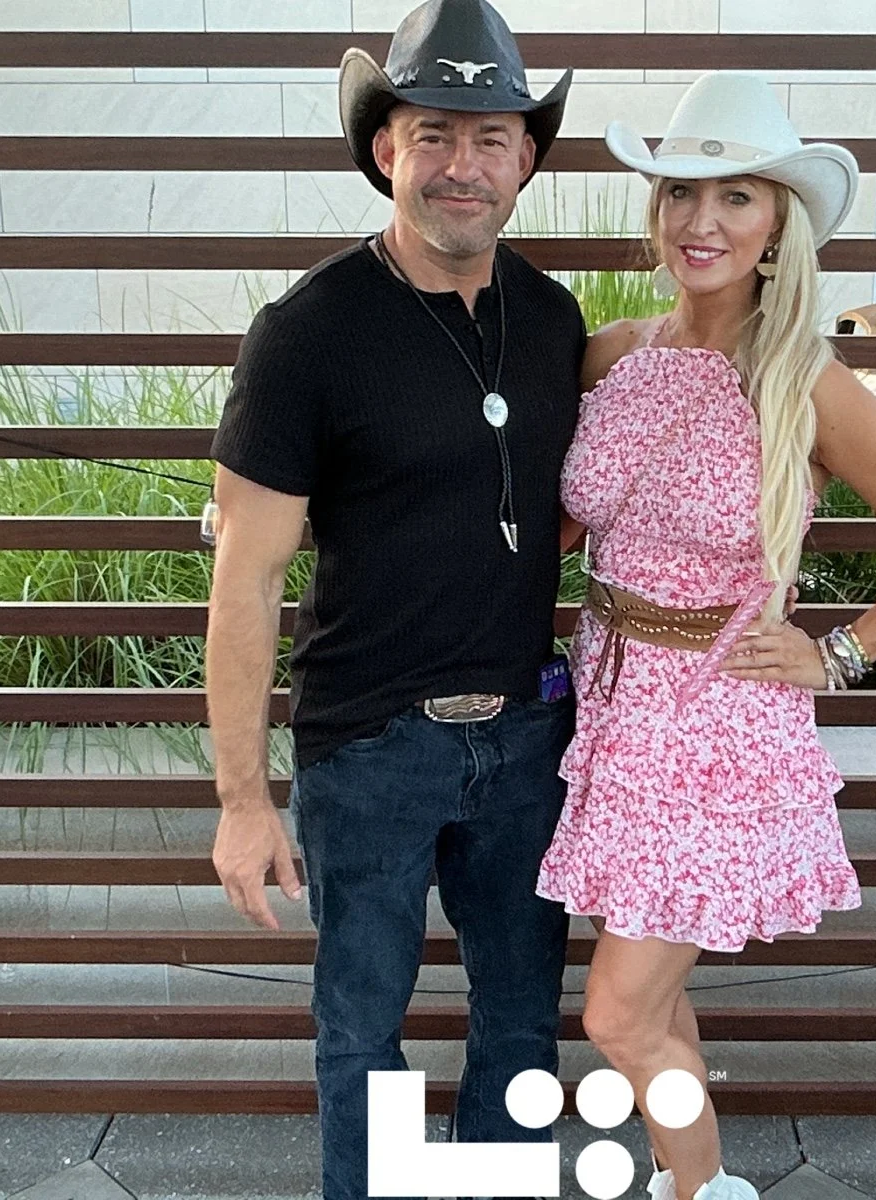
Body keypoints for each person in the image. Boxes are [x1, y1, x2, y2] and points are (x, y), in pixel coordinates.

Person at [535, 72, 876, 1200]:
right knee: (657, 997)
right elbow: (530, 518)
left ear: (779, 219)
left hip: (715, 722)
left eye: (738, 196)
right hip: (610, 703)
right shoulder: (612, 355)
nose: (705, 221)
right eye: (686, 191)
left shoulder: (808, 383)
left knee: (618, 1012)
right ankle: (695, 1180)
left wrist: (840, 654)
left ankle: (702, 1191)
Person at [203, 2, 583, 1196]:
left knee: (520, 1029)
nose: (460, 166)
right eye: (433, 134)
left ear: (526, 158)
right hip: (368, 749)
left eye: (488, 138)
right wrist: (241, 799)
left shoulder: (556, 321)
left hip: (528, 741)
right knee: (361, 1040)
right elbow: (247, 575)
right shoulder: (305, 335)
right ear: (386, 152)